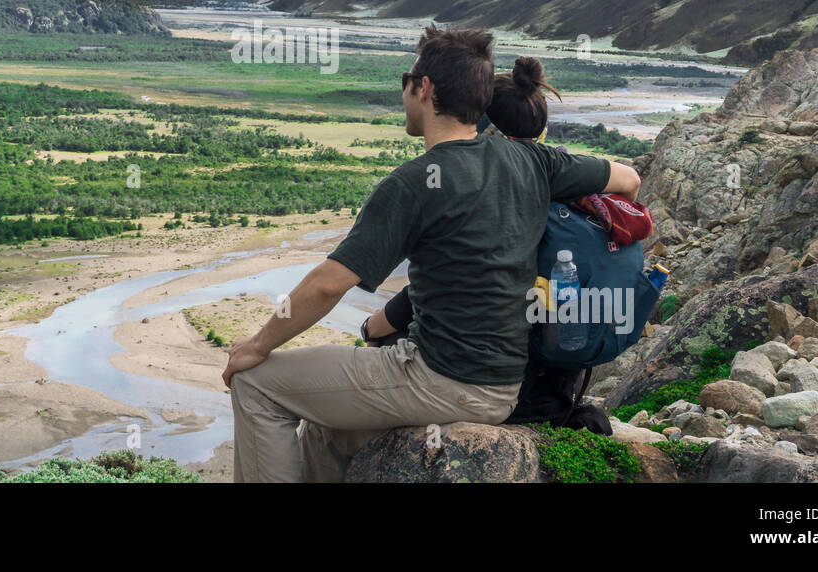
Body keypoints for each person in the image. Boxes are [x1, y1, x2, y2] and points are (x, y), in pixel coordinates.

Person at [222, 28, 641, 482]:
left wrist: (257, 345)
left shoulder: (414, 183)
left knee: (256, 385)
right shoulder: (534, 162)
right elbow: (629, 180)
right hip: (502, 386)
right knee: (327, 432)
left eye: (408, 79)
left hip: (440, 378)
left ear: (424, 89)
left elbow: (328, 283)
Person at [362, 55, 639, 345]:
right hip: (560, 341)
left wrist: (370, 329)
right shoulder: (560, 171)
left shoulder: (476, 190)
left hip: (490, 350)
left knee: (383, 341)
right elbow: (631, 181)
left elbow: (432, 287)